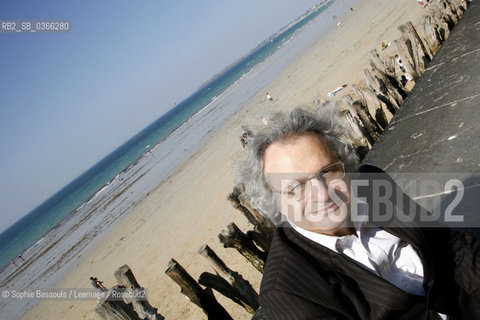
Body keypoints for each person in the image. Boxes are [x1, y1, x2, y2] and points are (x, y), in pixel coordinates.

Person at [238, 108, 480, 319]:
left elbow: (447, 244)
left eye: (328, 171)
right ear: (276, 202)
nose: (322, 193)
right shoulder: (287, 288)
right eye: (295, 187)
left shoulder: (372, 183)